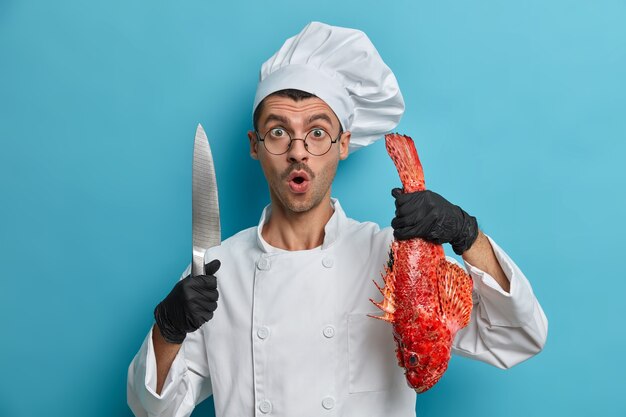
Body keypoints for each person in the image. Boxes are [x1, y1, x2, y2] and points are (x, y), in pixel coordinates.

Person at [127, 21, 548, 417]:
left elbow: (518, 335)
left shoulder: (392, 259)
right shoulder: (218, 270)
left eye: (316, 132)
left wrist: (464, 232)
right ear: (254, 146)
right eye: (277, 132)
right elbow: (153, 410)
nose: (298, 150)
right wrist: (168, 329)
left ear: (343, 144)